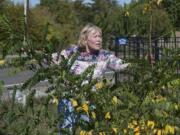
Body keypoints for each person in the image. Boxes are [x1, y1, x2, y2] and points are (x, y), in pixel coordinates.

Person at [52, 23, 129, 134]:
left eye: (100, 36)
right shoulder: (72, 52)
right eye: (95, 36)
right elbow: (54, 59)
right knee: (66, 131)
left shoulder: (105, 55)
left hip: (90, 101)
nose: (99, 40)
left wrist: (142, 64)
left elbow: (121, 65)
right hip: (69, 99)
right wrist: (54, 59)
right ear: (85, 39)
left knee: (88, 131)